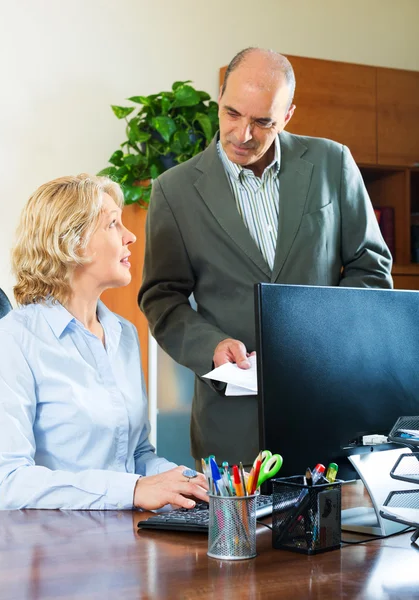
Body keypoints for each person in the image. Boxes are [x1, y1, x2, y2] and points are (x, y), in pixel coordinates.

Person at [138, 47, 393, 469]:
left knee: (340, 533)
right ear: (219, 99)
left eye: (262, 121)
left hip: (328, 406)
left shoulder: (333, 163)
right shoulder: (174, 190)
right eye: (232, 113)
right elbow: (162, 298)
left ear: (288, 116)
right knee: (240, 538)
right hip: (232, 423)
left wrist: (323, 337)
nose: (242, 134)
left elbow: (370, 266)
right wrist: (211, 346)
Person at [0, 174, 208, 511]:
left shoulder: (123, 334)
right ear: (71, 242)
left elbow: (137, 455)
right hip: (44, 547)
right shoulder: (11, 341)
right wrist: (131, 490)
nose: (130, 237)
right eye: (113, 224)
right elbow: (8, 484)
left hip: (120, 539)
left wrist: (189, 482)